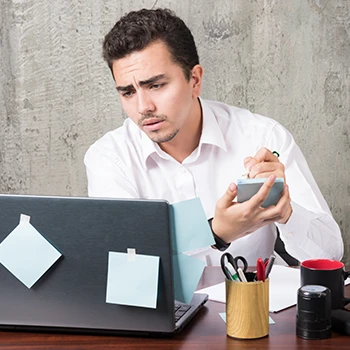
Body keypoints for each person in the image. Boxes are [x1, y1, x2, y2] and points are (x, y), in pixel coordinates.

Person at [84, 8, 343, 266]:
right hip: (161, 307)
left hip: (255, 304)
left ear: (194, 80)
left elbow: (330, 255)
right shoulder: (109, 158)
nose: (143, 107)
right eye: (128, 92)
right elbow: (126, 260)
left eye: (156, 85)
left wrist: (286, 212)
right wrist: (214, 232)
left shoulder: (262, 136)